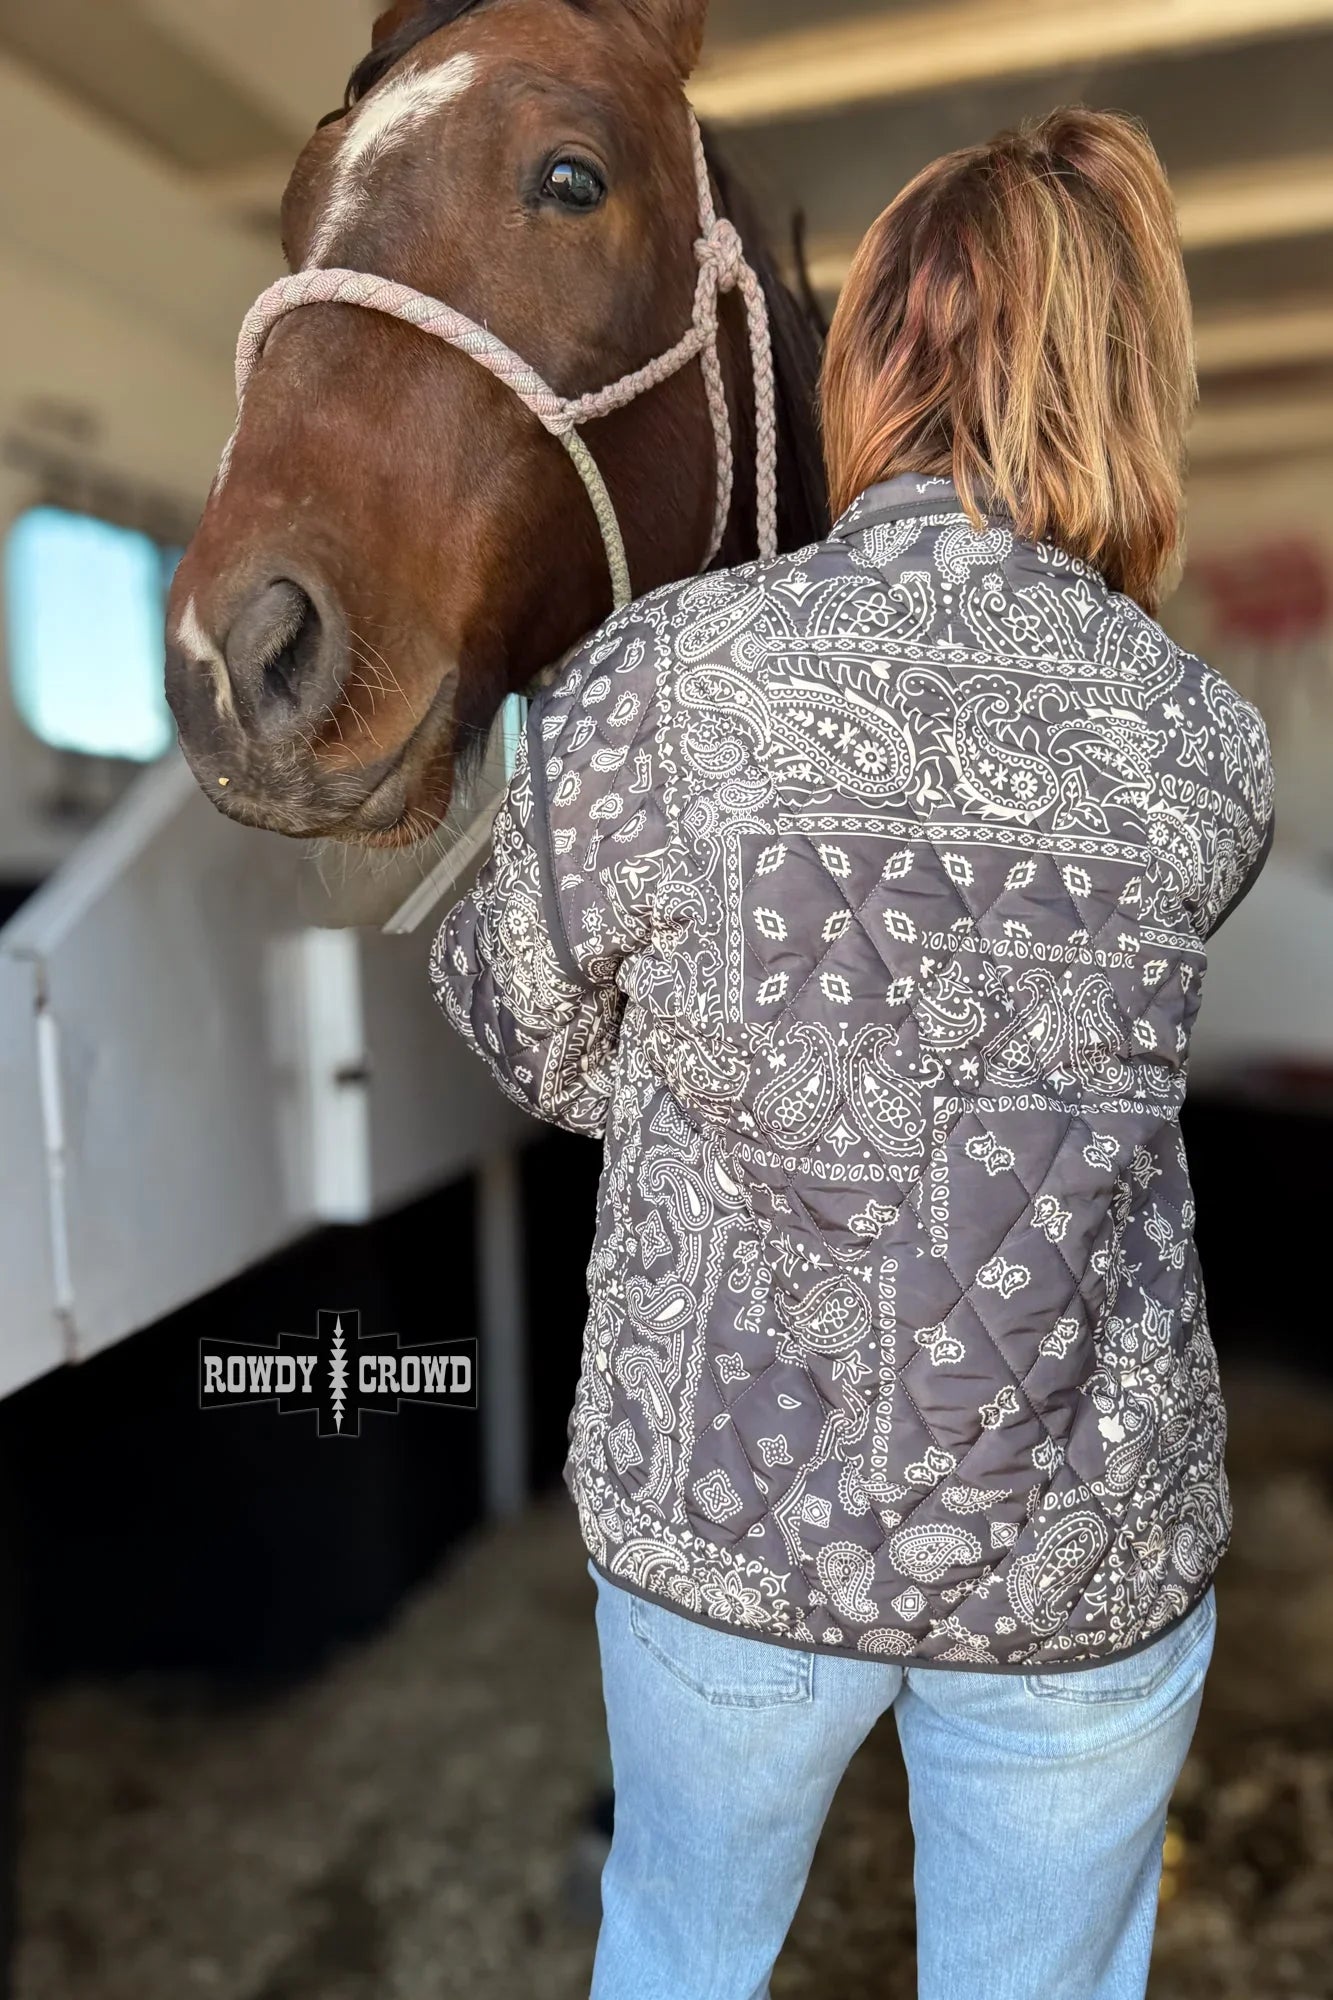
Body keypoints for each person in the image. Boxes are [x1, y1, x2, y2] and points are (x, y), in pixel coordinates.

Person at [432, 106, 1275, 2000]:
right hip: (1082, 1539)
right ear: (1126, 384)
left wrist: (685, 1089)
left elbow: (515, 1012)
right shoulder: (1202, 744)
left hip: (725, 1516)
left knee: (677, 1954)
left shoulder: (658, 681)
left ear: (873, 361)